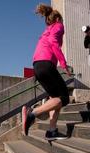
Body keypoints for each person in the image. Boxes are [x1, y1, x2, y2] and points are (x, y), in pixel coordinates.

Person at [22, 3, 71, 140]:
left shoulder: (47, 30)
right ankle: (33, 113)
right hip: (46, 64)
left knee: (55, 98)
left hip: (38, 65)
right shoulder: (58, 26)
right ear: (58, 19)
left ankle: (51, 131)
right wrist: (64, 64)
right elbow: (54, 43)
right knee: (64, 98)